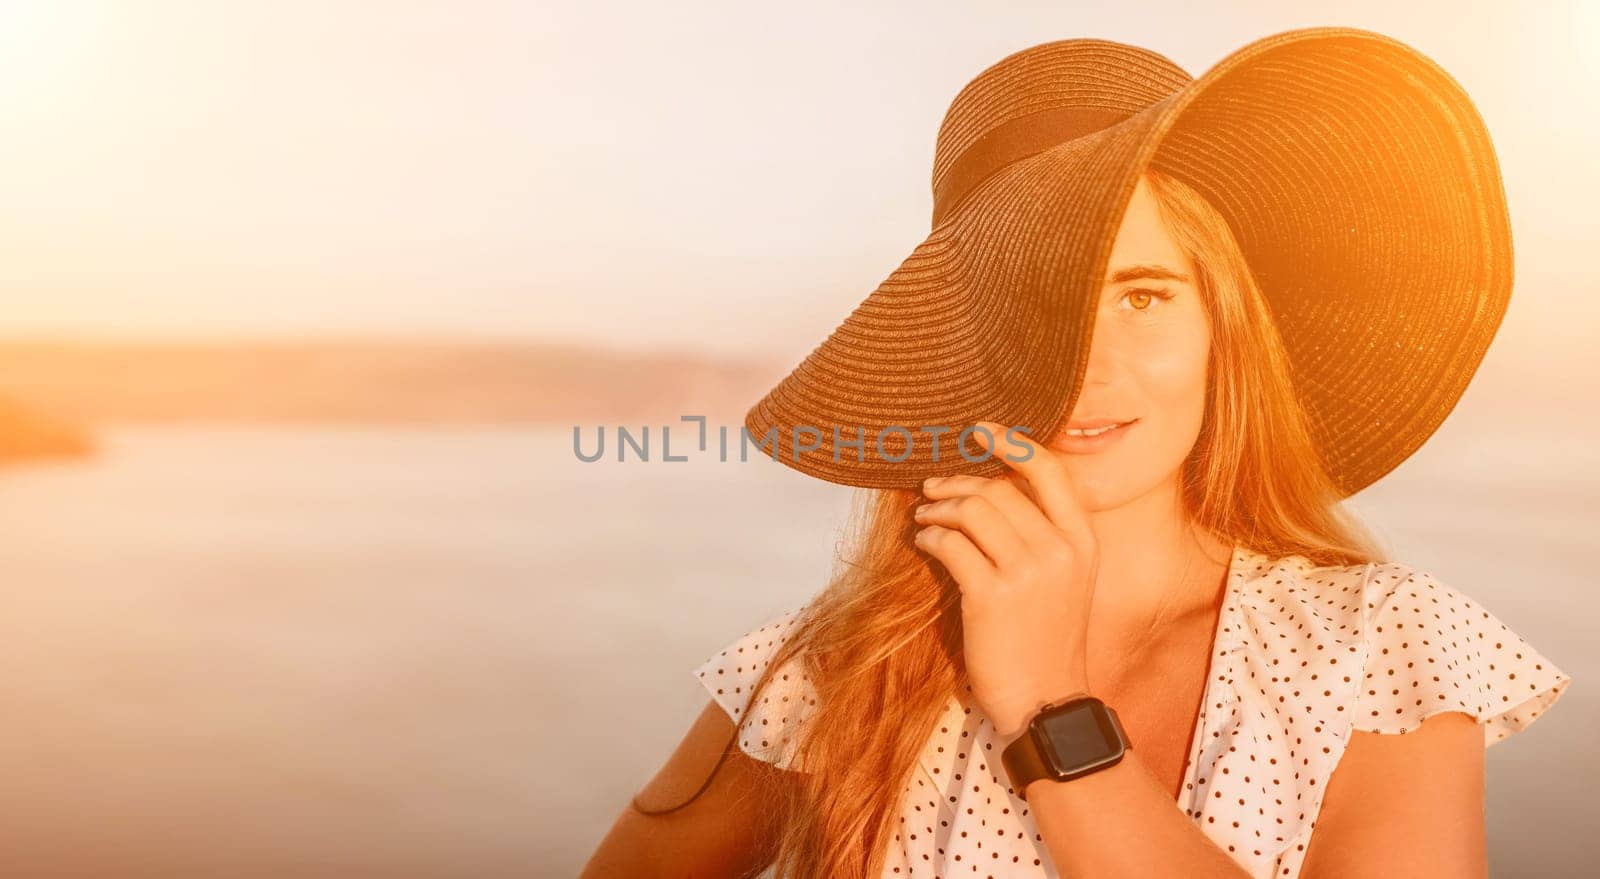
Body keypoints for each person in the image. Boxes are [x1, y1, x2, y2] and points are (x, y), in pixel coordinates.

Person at [581, 28, 1571, 879]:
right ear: (963, 346)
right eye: (1032, 304)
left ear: (1219, 329)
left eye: (1141, 297)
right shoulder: (845, 664)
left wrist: (1051, 704)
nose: (1084, 368)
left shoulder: (1378, 647)